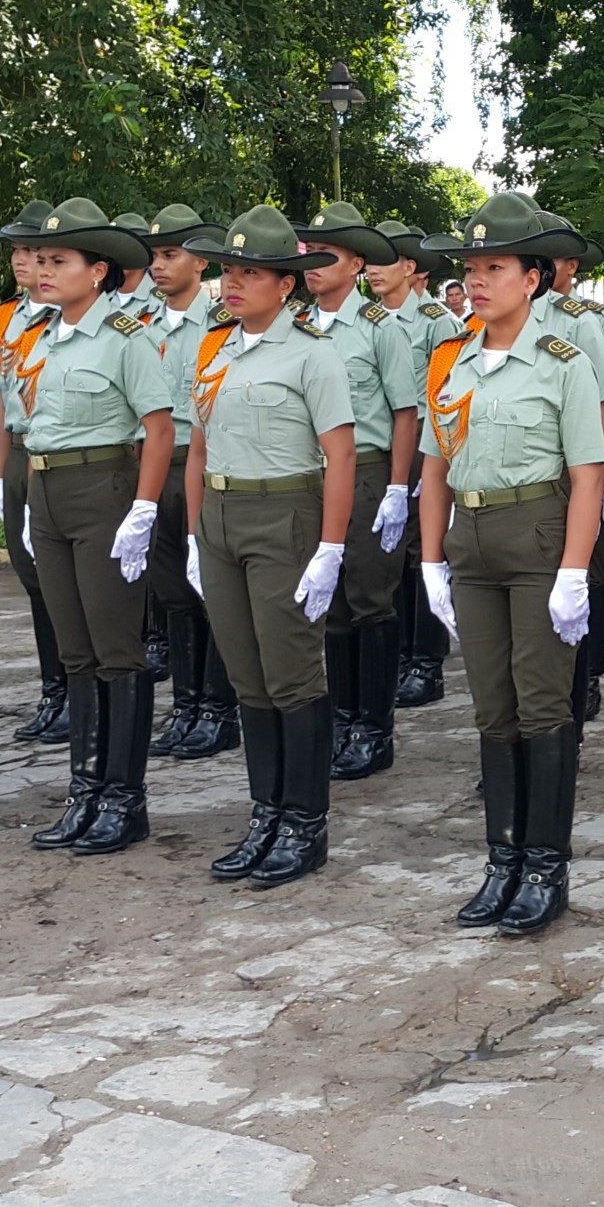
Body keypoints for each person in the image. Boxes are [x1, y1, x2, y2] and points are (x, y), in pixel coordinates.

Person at [418, 197, 604, 936]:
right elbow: (434, 468)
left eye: (495, 268)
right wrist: (432, 560)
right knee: (491, 707)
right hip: (472, 541)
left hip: (536, 540)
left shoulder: (565, 364)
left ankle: (544, 865)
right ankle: (501, 859)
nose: (479, 283)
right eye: (471, 270)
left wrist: (573, 570)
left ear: (532, 278)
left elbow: (588, 474)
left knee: (542, 706)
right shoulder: (451, 362)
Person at [181, 206, 356, 886]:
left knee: (290, 675)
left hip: (284, 512)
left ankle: (304, 824)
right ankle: (266, 813)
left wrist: (331, 547)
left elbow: (339, 456)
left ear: (285, 284)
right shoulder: (213, 347)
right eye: (228, 270)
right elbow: (197, 446)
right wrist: (196, 533)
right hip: (222, 515)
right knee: (247, 676)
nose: (233, 283)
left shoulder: (313, 354)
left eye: (250, 272)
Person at [9, 199, 178, 855]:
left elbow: (159, 428)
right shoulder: (41, 335)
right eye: (41, 259)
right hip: (47, 491)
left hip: (103, 489)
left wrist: (141, 509)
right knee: (74, 650)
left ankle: (123, 799)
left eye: (59, 260)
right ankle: (85, 792)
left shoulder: (127, 337)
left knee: (115, 650)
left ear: (97, 269)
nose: (44, 270)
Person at [289, 203, 420, 781]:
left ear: (357, 264)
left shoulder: (378, 328)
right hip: (311, 475)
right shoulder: (294, 326)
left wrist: (396, 487)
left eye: (327, 256)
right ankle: (341, 717)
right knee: (330, 604)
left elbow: (405, 412)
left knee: (369, 599)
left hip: (366, 473)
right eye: (307, 256)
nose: (313, 266)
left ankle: (374, 727)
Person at [137, 205, 244, 761]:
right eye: (154, 254)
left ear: (200, 263)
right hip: (156, 465)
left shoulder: (224, 324)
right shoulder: (140, 324)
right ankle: (187, 706)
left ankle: (220, 710)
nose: (158, 264)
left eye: (170, 254)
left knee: (212, 592)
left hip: (202, 464)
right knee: (172, 593)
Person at [537, 214, 604, 731]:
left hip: (577, 469)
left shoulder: (584, 319)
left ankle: (589, 674)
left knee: (588, 573)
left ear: (569, 266)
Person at [370, 220, 469, 710]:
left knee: (420, 554)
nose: (370, 270)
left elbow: (446, 398)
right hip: (376, 452)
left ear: (410, 268)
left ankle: (426, 662)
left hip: (424, 451)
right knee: (381, 559)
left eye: (381, 261)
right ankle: (396, 655)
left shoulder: (436, 322)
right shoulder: (369, 320)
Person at [0, 202, 69, 744]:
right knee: (32, 577)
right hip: (18, 451)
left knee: (62, 581)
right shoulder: (8, 316)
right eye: (16, 251)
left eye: (33, 251)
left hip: (58, 454)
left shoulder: (70, 315)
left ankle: (72, 693)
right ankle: (52, 689)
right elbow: (2, 397)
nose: (22, 261)